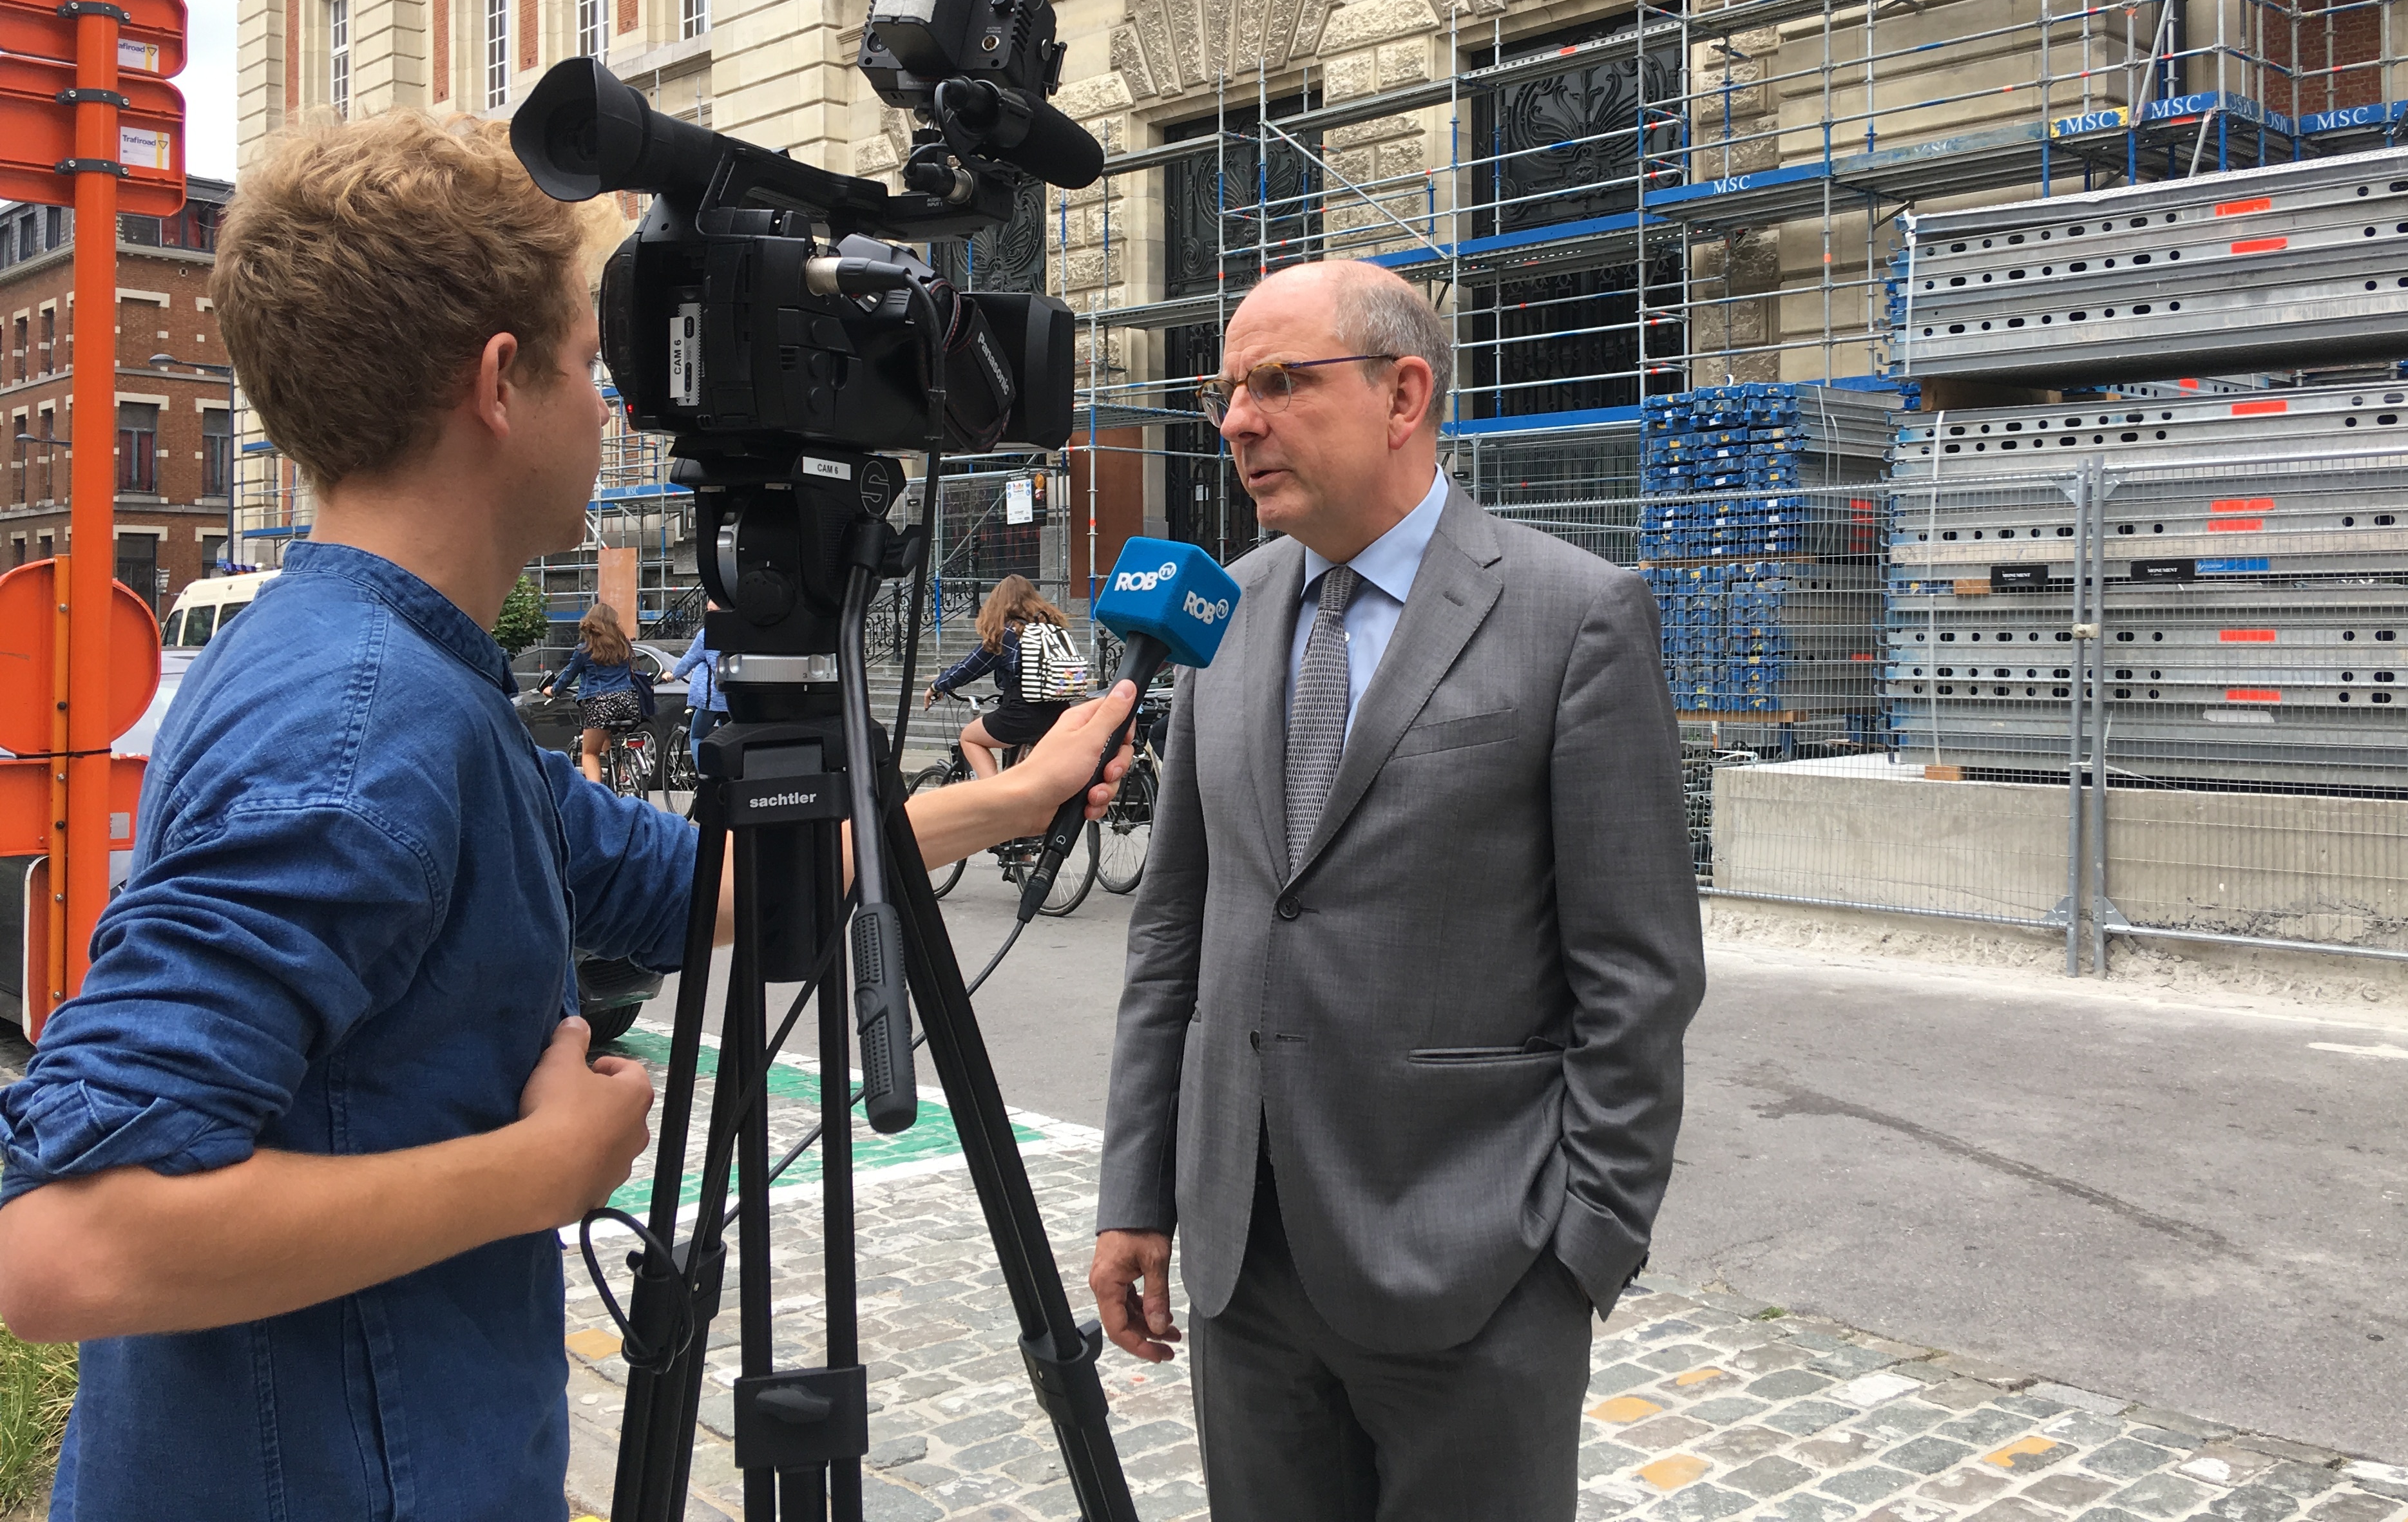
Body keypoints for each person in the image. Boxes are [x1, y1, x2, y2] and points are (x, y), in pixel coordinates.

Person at [0, 109, 1135, 1522]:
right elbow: (66, 1242)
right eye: (590, 370)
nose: (612, 413)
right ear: (497, 383)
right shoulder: (363, 727)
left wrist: (1009, 797)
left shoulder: (397, 682)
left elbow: (702, 879)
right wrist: (534, 1173)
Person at [1089, 260, 1705, 1522]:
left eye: (1275, 382)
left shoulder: (1575, 617)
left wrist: (1577, 1250)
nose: (1236, 422)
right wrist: (1137, 1195)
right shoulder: (1224, 610)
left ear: (1403, 393)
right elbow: (1174, 937)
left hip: (1477, 1274)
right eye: (1227, 392)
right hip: (1244, 1269)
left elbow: (1637, 974)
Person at [924, 573, 1085, 779]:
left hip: (1021, 715)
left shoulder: (1009, 633)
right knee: (1022, 774)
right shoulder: (1052, 630)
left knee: (970, 738)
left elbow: (969, 667)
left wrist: (938, 686)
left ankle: (993, 795)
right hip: (1059, 713)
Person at [540, 601, 647, 783]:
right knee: (607, 735)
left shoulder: (585, 650)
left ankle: (595, 795)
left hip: (600, 704)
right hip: (629, 702)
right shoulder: (625, 646)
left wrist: (552, 690)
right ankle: (620, 770)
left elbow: (567, 677)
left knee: (590, 753)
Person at [673, 622, 722, 755]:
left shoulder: (707, 634)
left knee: (697, 736)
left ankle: (703, 773)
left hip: (712, 700)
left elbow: (689, 660)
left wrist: (673, 675)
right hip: (734, 699)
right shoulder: (740, 631)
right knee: (730, 738)